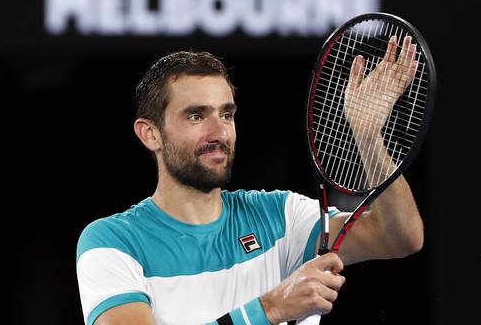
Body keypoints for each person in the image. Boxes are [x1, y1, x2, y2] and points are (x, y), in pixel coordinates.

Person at [76, 41, 423, 325]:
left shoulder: (281, 216)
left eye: (226, 114)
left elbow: (399, 237)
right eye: (196, 115)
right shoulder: (112, 242)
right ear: (150, 134)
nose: (219, 133)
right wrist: (270, 308)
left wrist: (367, 136)